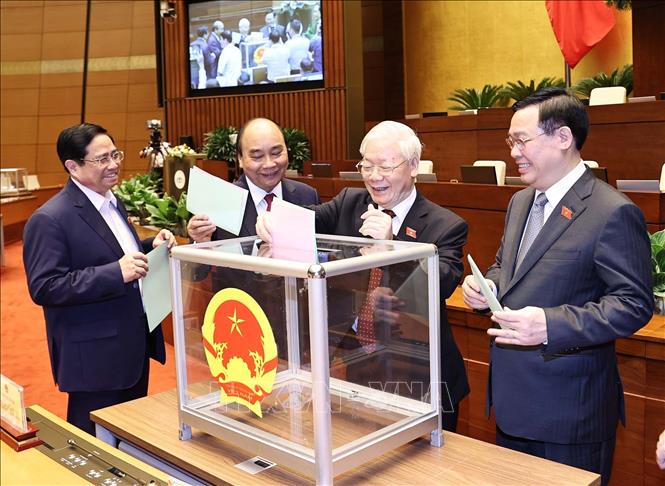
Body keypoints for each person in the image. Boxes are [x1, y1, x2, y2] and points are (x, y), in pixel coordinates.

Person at [461, 88, 653, 485]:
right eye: (510, 141)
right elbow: (506, 269)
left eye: (522, 140)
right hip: (513, 402)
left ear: (563, 138)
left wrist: (550, 325)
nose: (513, 151)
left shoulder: (612, 211)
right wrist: (485, 287)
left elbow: (634, 304)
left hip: (570, 414)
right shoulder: (520, 202)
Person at [257, 120, 470, 432]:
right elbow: (305, 221)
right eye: (366, 166)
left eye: (384, 166)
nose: (373, 176)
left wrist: (393, 248)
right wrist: (271, 219)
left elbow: (441, 282)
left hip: (420, 372)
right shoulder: (349, 202)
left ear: (413, 166)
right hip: (358, 363)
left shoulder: (445, 225)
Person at [22, 123, 176, 435]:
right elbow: (45, 286)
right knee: (95, 449)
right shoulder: (49, 219)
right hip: (93, 358)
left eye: (115, 155)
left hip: (131, 345)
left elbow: (114, 252)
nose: (114, 165)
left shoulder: (111, 200)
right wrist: (115, 273)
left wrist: (150, 246)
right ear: (72, 166)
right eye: (102, 159)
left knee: (129, 439)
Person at [187, 117, 320, 242]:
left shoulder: (307, 196)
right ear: (240, 159)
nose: (269, 164)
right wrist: (200, 242)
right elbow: (200, 265)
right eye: (257, 156)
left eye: (276, 153)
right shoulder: (221, 202)